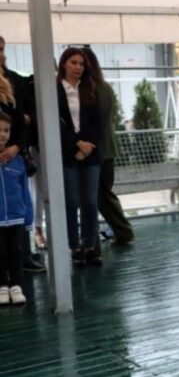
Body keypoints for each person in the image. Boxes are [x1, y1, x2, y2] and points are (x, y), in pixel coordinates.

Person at [0, 34, 46, 273]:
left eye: (1, 49)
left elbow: (21, 125)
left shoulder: (10, 87)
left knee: (19, 207)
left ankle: (22, 259)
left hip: (12, 158)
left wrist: (15, 147)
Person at [81, 47, 135, 247]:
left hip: (98, 150)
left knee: (101, 194)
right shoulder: (104, 87)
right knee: (104, 193)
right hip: (106, 148)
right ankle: (120, 230)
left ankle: (122, 230)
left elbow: (98, 122)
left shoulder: (92, 89)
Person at [56, 47, 102, 266]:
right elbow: (56, 123)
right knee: (71, 201)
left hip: (90, 154)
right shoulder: (55, 90)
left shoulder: (91, 90)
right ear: (64, 64)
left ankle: (90, 245)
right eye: (73, 63)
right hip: (67, 153)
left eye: (81, 64)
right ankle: (74, 247)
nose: (77, 68)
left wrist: (87, 146)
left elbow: (97, 122)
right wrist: (76, 144)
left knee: (91, 202)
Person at [0, 110, 32, 305]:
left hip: (17, 217)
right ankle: (2, 286)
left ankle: (16, 285)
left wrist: (28, 217)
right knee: (0, 252)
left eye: (6, 130)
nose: (3, 134)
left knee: (16, 251)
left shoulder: (18, 161)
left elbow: (25, 191)